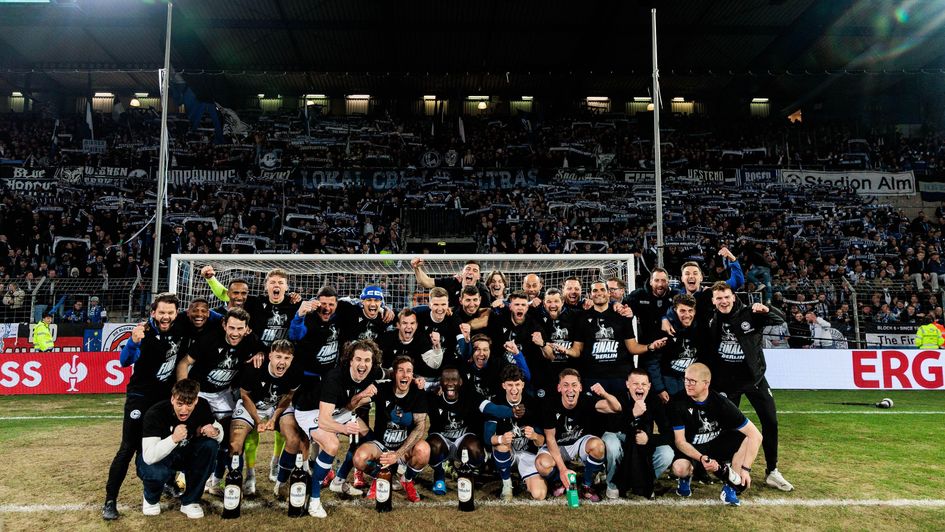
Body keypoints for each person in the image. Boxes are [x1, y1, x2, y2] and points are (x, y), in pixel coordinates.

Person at [103, 293, 188, 521]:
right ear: (153, 313)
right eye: (161, 312)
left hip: (165, 400)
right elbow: (124, 361)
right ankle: (110, 500)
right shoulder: (144, 333)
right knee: (129, 447)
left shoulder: (180, 327)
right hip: (140, 398)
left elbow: (207, 316)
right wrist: (132, 342)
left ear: (176, 314)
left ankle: (168, 482)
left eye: (170, 313)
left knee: (166, 443)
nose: (166, 317)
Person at [706, 281, 792, 492]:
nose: (723, 301)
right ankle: (726, 465)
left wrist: (766, 308)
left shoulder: (750, 313)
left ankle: (772, 470)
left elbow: (780, 319)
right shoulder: (712, 319)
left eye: (726, 297)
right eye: (719, 298)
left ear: (733, 297)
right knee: (725, 426)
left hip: (754, 380)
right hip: (727, 382)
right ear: (713, 301)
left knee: (770, 421)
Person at [175, 307, 265, 495]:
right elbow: (184, 363)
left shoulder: (251, 341)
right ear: (224, 325)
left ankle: (221, 481)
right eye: (231, 327)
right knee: (194, 435)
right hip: (201, 394)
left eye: (240, 329)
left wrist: (260, 354)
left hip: (224, 395)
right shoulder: (209, 339)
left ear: (247, 328)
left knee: (231, 439)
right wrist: (185, 393)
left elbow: (263, 350)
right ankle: (182, 476)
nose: (235, 333)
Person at [304, 340, 383, 518]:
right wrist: (344, 428)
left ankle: (338, 481)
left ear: (372, 362)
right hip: (310, 411)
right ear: (350, 361)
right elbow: (324, 421)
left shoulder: (371, 372)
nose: (362, 365)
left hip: (338, 410)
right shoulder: (334, 378)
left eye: (367, 360)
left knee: (367, 437)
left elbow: (388, 373)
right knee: (332, 444)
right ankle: (314, 499)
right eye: (358, 359)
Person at [670, 363, 763, 507]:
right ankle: (686, 477)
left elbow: (756, 436)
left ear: (706, 383)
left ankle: (731, 486)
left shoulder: (721, 403)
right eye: (686, 380)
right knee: (679, 468)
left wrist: (746, 470)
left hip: (714, 446)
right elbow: (680, 442)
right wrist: (701, 458)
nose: (687, 384)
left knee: (746, 438)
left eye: (692, 381)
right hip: (691, 449)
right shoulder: (677, 401)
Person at [138, 379, 223, 519]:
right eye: (179, 404)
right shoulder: (156, 413)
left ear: (196, 400)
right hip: (159, 459)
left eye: (189, 404)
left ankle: (190, 501)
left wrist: (215, 432)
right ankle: (151, 498)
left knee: (210, 446)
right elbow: (148, 456)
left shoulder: (202, 405)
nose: (184, 410)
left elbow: (218, 432)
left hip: (185, 454)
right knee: (155, 472)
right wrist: (173, 439)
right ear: (172, 399)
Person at [535, 368, 622, 502]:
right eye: (566, 385)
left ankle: (587, 486)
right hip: (557, 446)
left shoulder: (586, 400)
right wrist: (563, 469)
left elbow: (616, 408)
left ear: (580, 387)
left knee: (598, 446)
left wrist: (604, 394)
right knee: (542, 464)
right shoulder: (550, 405)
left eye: (574, 385)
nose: (570, 389)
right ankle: (560, 481)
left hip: (577, 443)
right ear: (559, 388)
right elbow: (550, 438)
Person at [227, 339, 301, 496]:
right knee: (235, 442)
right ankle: (248, 477)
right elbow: (244, 395)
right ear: (270, 356)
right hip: (251, 405)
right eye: (278, 357)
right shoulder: (254, 368)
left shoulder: (295, 371)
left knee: (294, 439)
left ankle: (280, 480)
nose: (282, 362)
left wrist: (274, 418)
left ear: (292, 359)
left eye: (287, 358)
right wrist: (258, 420)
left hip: (276, 406)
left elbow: (288, 396)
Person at [354, 356, 430, 503]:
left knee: (424, 451)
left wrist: (397, 454)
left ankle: (406, 479)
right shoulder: (383, 388)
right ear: (394, 374)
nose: (405, 375)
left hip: (404, 447)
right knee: (359, 458)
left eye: (409, 371)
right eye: (400, 370)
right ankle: (381, 475)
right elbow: (357, 401)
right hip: (381, 446)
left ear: (413, 375)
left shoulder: (418, 392)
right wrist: (362, 394)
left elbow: (420, 427)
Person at [580, 280, 664, 395]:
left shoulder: (622, 315)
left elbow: (632, 347)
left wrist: (650, 346)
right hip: (594, 377)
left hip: (620, 376)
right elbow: (577, 349)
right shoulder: (582, 317)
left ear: (608, 293)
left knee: (621, 410)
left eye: (602, 289)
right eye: (595, 290)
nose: (599, 293)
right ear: (590, 295)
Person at [603, 369, 674, 499]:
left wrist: (649, 438)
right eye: (635, 384)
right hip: (620, 439)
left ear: (649, 386)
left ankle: (644, 482)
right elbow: (610, 427)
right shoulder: (618, 397)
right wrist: (633, 414)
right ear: (627, 384)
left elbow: (668, 433)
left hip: (642, 443)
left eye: (643, 384)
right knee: (611, 443)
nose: (640, 387)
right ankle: (612, 483)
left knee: (667, 453)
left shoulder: (654, 400)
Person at [426, 365, 493, 496]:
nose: (450, 383)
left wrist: (512, 411)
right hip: (442, 440)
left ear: (460, 382)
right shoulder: (433, 398)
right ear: (440, 382)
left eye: (454, 380)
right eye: (446, 380)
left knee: (475, 449)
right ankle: (439, 475)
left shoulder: (469, 396)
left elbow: (491, 410)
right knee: (432, 446)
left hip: (462, 442)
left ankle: (465, 473)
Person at [485, 365, 547, 500]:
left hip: (528, 453)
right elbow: (487, 438)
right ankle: (507, 483)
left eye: (517, 385)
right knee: (501, 445)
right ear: (503, 386)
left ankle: (523, 477)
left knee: (540, 494)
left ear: (523, 385)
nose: (514, 389)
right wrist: (501, 438)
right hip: (507, 452)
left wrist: (535, 436)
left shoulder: (533, 403)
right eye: (510, 385)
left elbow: (542, 441)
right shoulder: (495, 404)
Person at [378, 308, 445, 386]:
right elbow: (376, 362)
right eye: (405, 323)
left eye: (412, 323)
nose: (409, 327)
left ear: (416, 325)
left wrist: (437, 345)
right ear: (398, 325)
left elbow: (434, 364)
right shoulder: (387, 338)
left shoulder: (421, 339)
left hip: (411, 380)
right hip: (388, 378)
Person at [411, 257, 491, 308]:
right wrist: (417, 268)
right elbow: (426, 282)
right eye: (468, 269)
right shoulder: (452, 282)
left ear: (478, 276)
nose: (470, 272)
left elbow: (485, 315)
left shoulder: (483, 291)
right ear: (462, 273)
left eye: (475, 270)